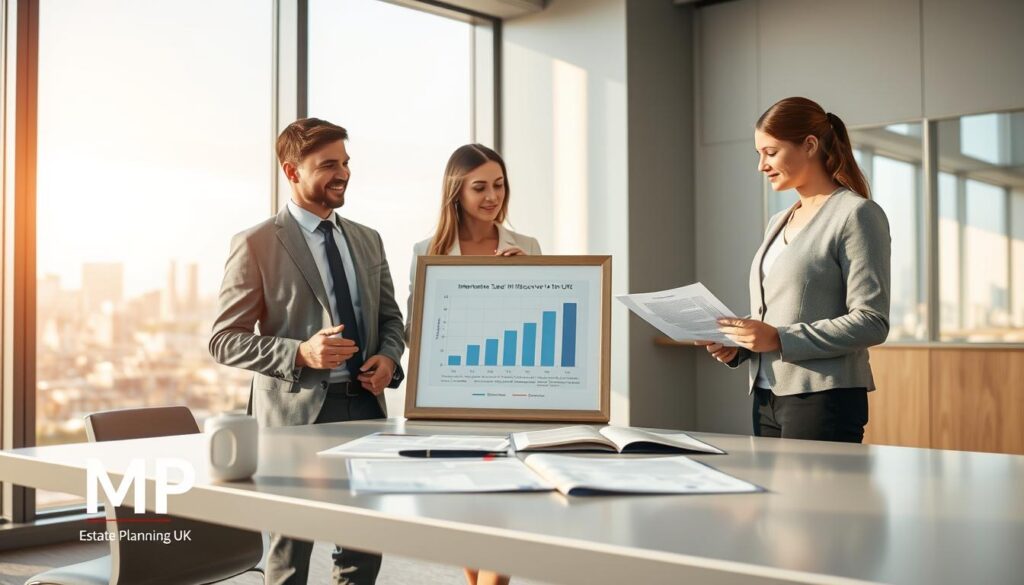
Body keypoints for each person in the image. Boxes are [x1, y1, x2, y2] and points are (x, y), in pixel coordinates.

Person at [210, 118, 405, 585]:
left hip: (363, 407)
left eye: (346, 162)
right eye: (328, 165)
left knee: (363, 546)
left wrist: (390, 358)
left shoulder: (366, 238)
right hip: (294, 418)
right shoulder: (256, 243)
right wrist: (301, 353)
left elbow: (391, 319)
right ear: (292, 171)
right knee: (290, 553)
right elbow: (223, 338)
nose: (343, 173)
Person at [701, 97, 891, 443]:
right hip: (765, 395)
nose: (761, 165)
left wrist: (778, 338)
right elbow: (784, 308)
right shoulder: (779, 220)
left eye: (770, 153)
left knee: (810, 499)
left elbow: (872, 321)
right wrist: (740, 343)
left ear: (809, 145)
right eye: (758, 154)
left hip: (823, 398)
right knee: (775, 499)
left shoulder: (856, 214)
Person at [407, 144, 539, 585]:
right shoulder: (428, 250)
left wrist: (530, 278)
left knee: (508, 510)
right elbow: (417, 329)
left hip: (513, 397)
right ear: (455, 192)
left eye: (499, 185)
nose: (492, 196)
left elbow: (544, 321)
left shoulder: (528, 247)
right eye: (479, 187)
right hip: (453, 401)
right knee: (467, 512)